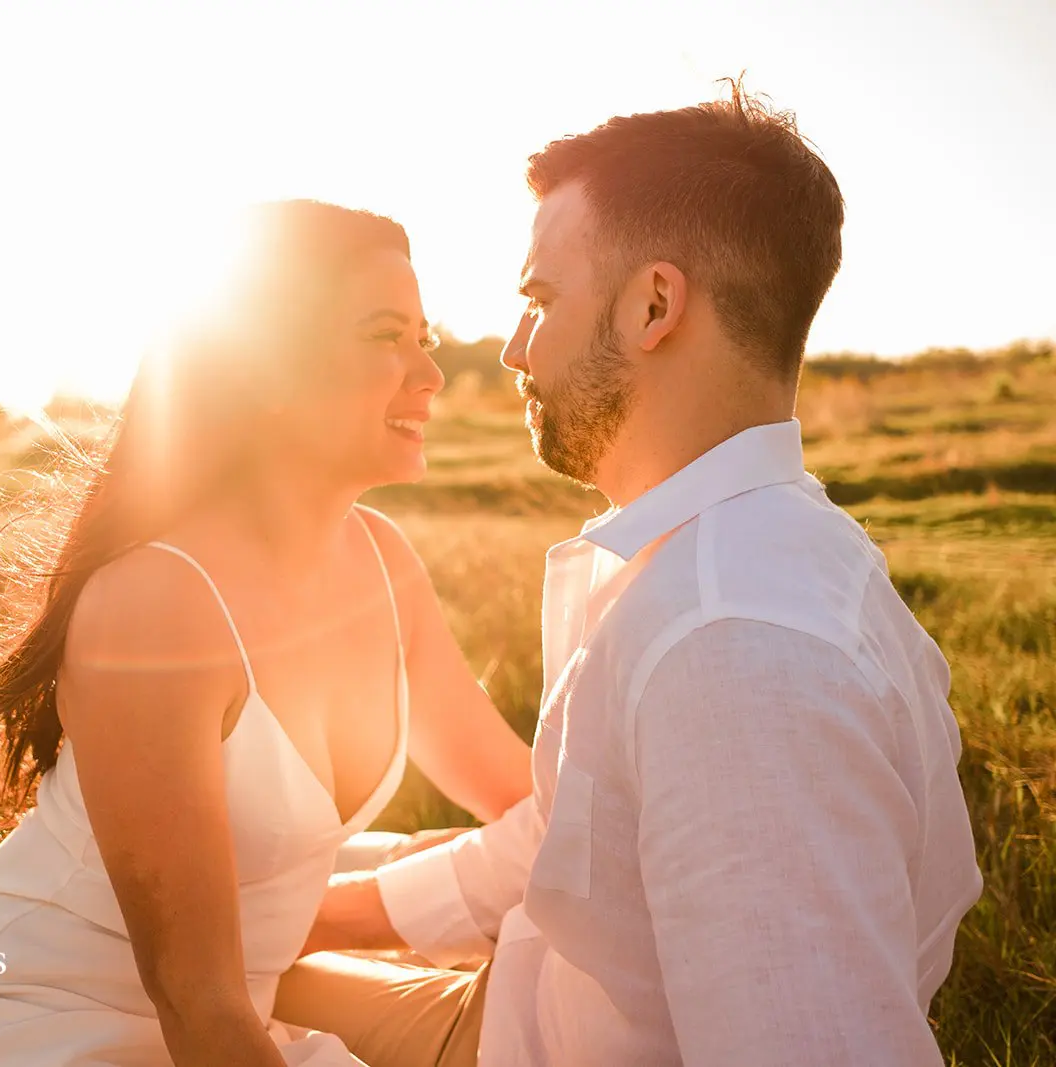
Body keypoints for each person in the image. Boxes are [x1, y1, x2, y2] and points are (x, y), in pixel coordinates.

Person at [278, 86, 984, 1066]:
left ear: (654, 305)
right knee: (236, 961)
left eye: (539, 300)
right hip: (526, 994)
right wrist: (322, 914)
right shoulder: (749, 551)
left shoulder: (732, 652)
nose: (515, 348)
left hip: (527, 1046)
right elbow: (568, 843)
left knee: (172, 999)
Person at [0, 200, 535, 1067]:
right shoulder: (156, 605)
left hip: (240, 1014)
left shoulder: (384, 566)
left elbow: (531, 803)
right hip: (38, 1024)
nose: (432, 372)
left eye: (426, 336)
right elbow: (197, 1001)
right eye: (386, 335)